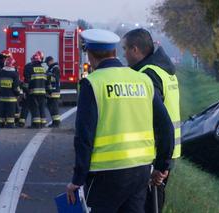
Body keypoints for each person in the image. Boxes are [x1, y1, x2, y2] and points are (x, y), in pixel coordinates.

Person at [66, 29, 175, 213]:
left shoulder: (92, 83)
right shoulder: (143, 80)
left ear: (90, 55)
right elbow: (166, 127)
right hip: (140, 172)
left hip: (105, 175)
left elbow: (84, 137)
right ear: (115, 53)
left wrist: (77, 180)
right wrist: (162, 166)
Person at [123, 28, 181, 213]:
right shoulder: (164, 69)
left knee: (149, 203)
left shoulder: (147, 75)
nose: (124, 54)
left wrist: (159, 163)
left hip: (154, 151)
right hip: (167, 149)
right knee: (155, 200)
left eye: (125, 49)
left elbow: (152, 116)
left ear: (135, 49)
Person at [25, 51, 49, 128]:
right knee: (42, 107)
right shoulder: (43, 69)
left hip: (33, 92)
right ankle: (43, 123)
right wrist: (49, 90)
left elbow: (28, 81)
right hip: (42, 92)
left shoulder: (31, 68)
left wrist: (25, 90)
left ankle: (36, 124)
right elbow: (47, 81)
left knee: (34, 107)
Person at [0, 56, 21, 128]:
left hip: (3, 97)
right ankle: (10, 124)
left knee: (2, 111)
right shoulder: (14, 74)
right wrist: (18, 94)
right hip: (11, 98)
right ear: (12, 64)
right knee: (10, 112)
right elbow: (16, 87)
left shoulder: (1, 72)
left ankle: (1, 124)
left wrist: (0, 92)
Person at [45, 56, 61, 128]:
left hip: (54, 91)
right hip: (51, 91)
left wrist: (50, 90)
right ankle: (55, 121)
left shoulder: (55, 68)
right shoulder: (52, 68)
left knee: (53, 107)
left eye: (47, 62)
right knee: (51, 105)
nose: (47, 64)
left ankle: (56, 122)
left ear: (51, 61)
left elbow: (53, 79)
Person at [17, 57, 34, 127]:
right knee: (35, 108)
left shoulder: (27, 66)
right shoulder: (40, 67)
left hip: (28, 90)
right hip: (37, 91)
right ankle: (35, 123)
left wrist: (25, 91)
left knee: (25, 106)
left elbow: (26, 80)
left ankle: (21, 122)